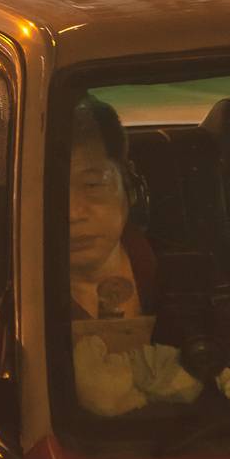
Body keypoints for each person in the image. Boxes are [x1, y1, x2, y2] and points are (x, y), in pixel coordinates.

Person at [69, 97, 156, 321]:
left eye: (92, 185)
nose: (73, 214)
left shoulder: (188, 279)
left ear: (130, 186)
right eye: (51, 195)